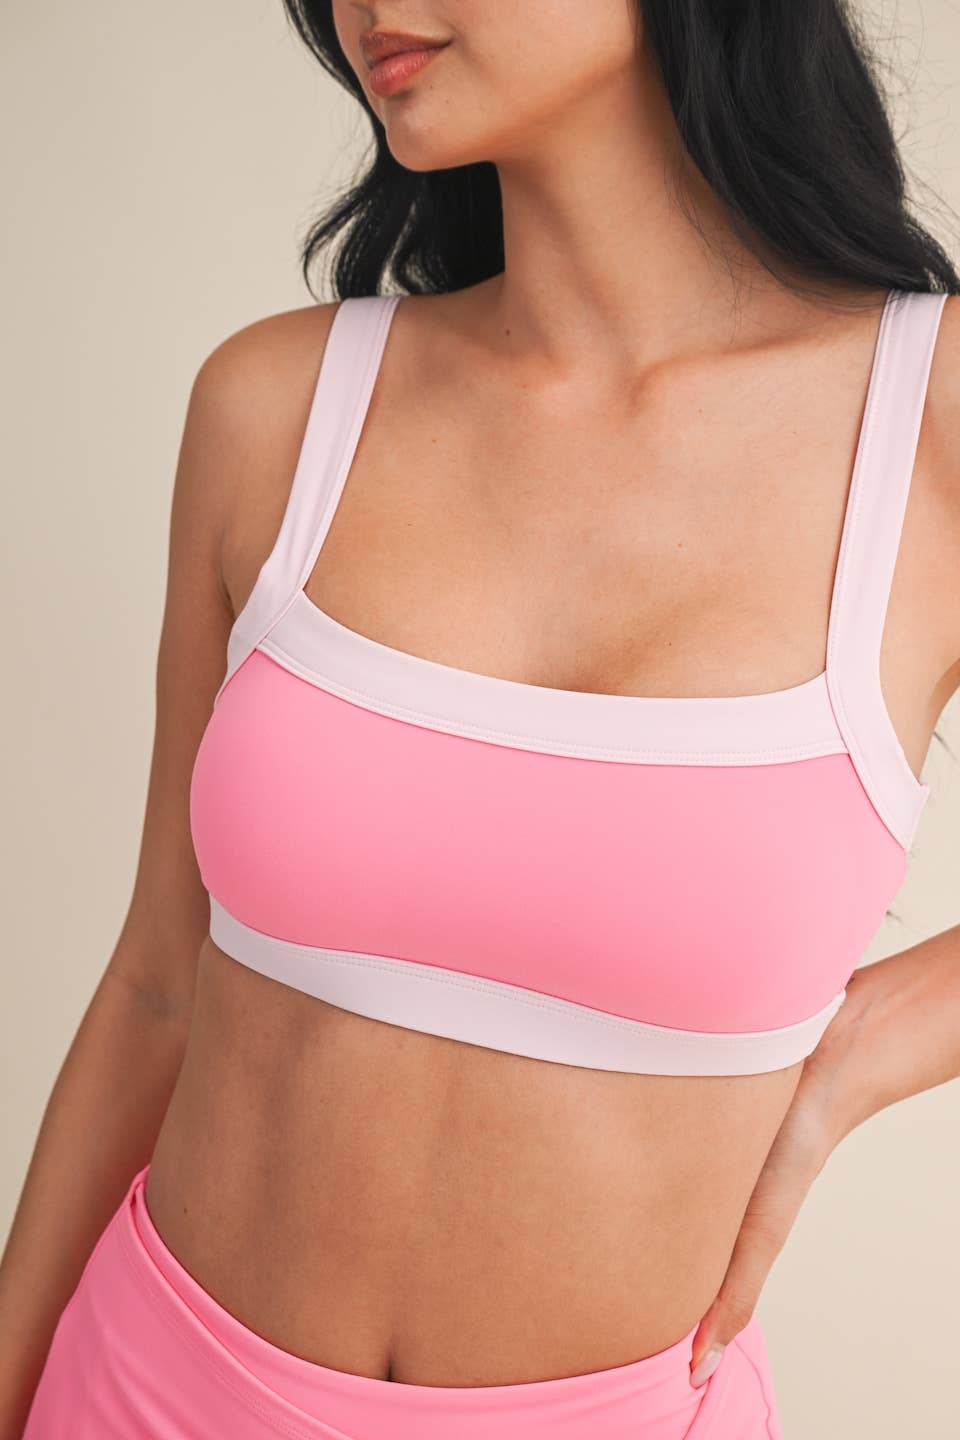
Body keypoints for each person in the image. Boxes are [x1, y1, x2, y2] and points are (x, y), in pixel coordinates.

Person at [4, 3, 960, 1436]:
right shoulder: (277, 409)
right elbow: (157, 984)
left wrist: (867, 1045)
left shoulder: (927, 421)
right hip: (143, 1388)